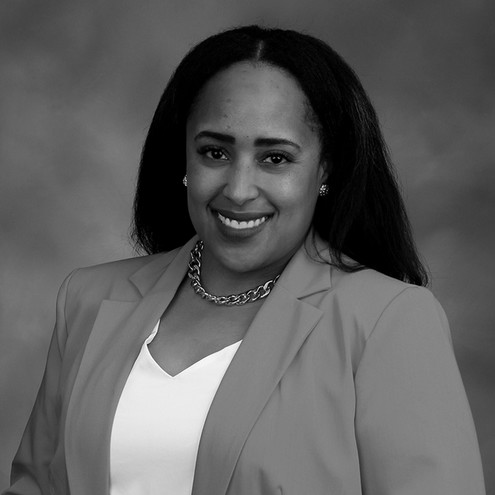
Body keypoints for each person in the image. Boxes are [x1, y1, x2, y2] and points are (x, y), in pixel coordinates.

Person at [4, 25, 485, 495]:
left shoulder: (388, 320)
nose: (237, 189)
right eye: (215, 152)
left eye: (275, 158)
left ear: (326, 168)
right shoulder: (88, 300)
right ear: (184, 161)